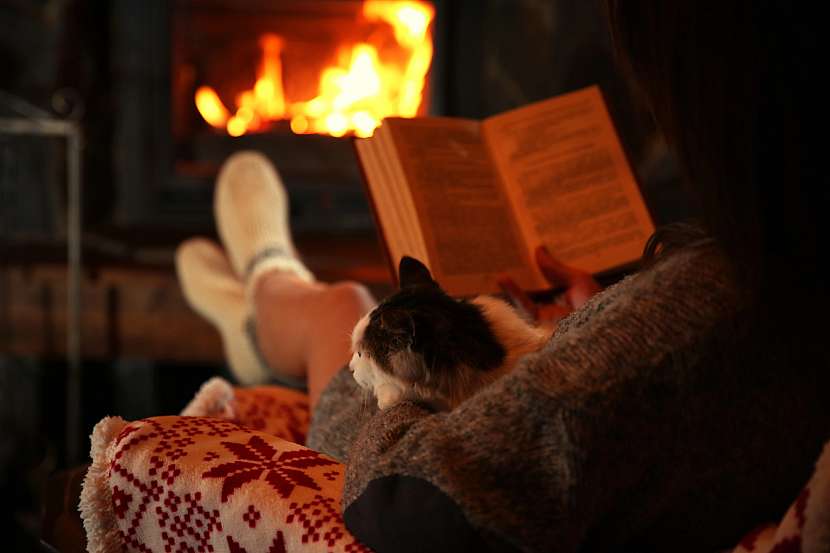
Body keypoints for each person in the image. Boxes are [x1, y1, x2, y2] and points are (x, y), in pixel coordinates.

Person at [176, 2, 828, 551]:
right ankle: (256, 302)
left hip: (411, 426)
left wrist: (396, 393)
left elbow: (409, 499)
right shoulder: (783, 276)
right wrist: (605, 322)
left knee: (340, 307)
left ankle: (265, 279)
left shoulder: (711, 303)